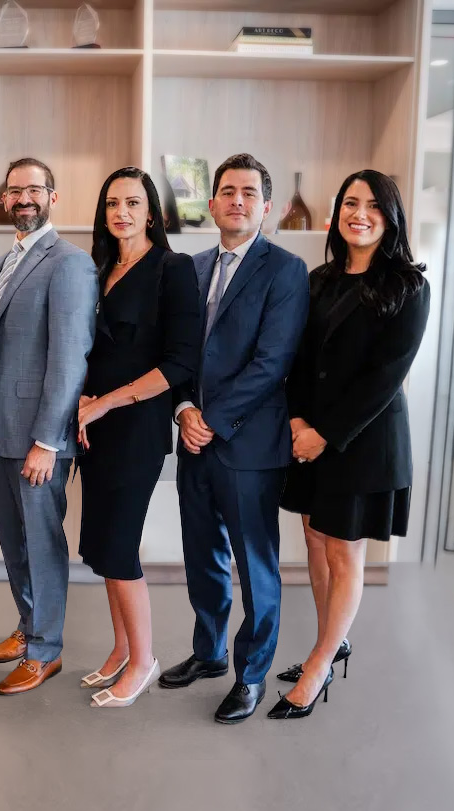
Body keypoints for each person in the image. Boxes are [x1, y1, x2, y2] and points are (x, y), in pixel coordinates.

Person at [271, 169, 430, 719]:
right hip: (308, 435)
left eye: (372, 206)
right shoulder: (319, 279)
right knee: (315, 538)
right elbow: (296, 359)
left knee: (343, 550)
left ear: (390, 218)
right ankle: (330, 643)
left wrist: (324, 435)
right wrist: (295, 421)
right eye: (349, 203)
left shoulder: (408, 285)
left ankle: (318, 666)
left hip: (362, 443)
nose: (358, 214)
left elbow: (385, 378)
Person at [161, 153, 310, 724]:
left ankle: (251, 675)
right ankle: (210, 653)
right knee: (203, 557)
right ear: (213, 202)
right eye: (227, 191)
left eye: (249, 192)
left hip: (246, 444)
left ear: (265, 206)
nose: (237, 200)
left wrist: (212, 420)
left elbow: (272, 363)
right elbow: (175, 355)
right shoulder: (192, 268)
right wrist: (183, 409)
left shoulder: (284, 270)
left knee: (256, 568)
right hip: (194, 437)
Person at [76, 167, 199, 708]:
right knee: (103, 546)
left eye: (132, 202)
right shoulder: (98, 268)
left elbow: (178, 363)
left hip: (136, 426)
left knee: (121, 545)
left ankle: (144, 661)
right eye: (111, 204)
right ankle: (123, 647)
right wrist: (83, 399)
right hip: (93, 428)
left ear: (152, 211)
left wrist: (106, 401)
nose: (121, 212)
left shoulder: (172, 269)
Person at [0, 157, 97, 696]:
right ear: (5, 200)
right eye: (14, 190)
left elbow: (70, 358)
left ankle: (46, 649)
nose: (23, 198)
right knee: (13, 542)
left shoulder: (69, 263)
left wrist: (49, 439)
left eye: (34, 189)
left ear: (53, 196)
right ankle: (28, 628)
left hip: (37, 438)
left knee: (42, 543)